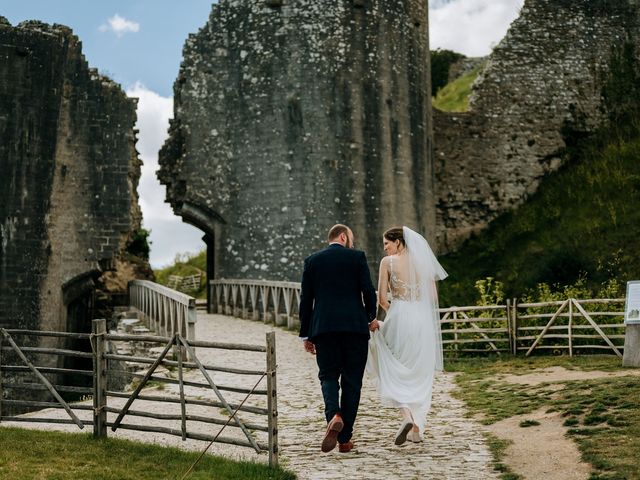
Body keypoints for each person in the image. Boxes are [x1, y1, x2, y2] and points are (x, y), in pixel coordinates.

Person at [299, 224, 377, 453]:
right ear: (344, 236)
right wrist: (370, 317)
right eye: (350, 238)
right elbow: (368, 291)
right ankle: (344, 440)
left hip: (324, 329)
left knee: (328, 376)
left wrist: (306, 333)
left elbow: (306, 301)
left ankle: (333, 414)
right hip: (355, 328)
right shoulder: (357, 258)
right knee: (352, 382)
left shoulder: (312, 261)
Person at [367, 226, 448, 445]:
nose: (385, 249)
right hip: (422, 322)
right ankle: (417, 430)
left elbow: (382, 299)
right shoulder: (423, 262)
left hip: (399, 316)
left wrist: (393, 311)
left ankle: (406, 417)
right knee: (418, 372)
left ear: (399, 242)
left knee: (391, 366)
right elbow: (431, 297)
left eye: (387, 244)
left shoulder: (388, 263)